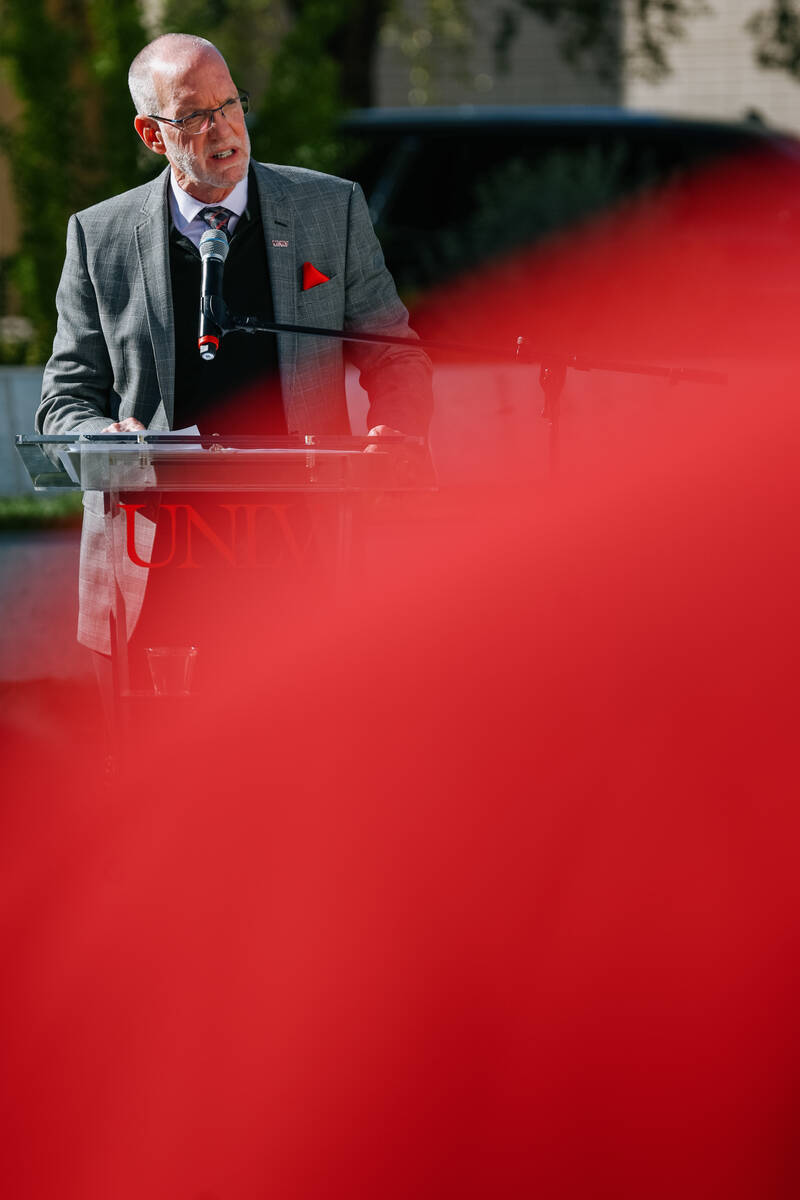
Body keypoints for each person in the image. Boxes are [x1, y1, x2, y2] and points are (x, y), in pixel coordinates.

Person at [35, 32, 433, 668]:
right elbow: (63, 404)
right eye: (195, 115)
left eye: (230, 104)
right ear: (152, 134)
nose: (223, 128)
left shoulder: (330, 209)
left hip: (302, 551)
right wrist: (108, 437)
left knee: (312, 755)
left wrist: (397, 429)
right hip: (156, 559)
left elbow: (395, 355)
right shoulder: (97, 237)